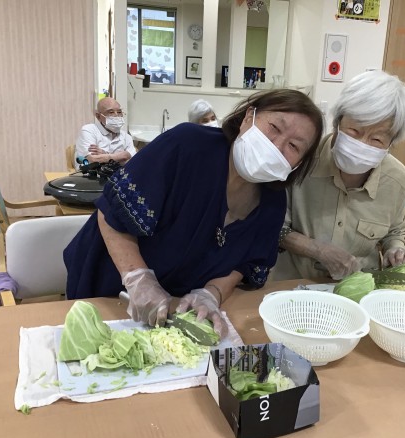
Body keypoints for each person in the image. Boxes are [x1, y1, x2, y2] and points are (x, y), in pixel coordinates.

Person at [64, 89, 324, 336]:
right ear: (248, 117)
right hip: (110, 289)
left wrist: (211, 294)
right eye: (274, 127)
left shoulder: (273, 204)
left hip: (177, 310)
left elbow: (245, 263)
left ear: (299, 164)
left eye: (294, 146)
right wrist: (138, 279)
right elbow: (111, 211)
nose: (276, 146)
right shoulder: (187, 145)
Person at [271, 70, 405, 281]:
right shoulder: (301, 160)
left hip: (357, 288)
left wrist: (395, 251)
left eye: (376, 140)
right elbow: (274, 228)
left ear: (391, 143)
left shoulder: (397, 180)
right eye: (354, 131)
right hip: (293, 284)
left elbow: (395, 232)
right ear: (337, 123)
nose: (361, 144)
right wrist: (317, 250)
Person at [74, 97, 136, 168]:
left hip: (118, 174)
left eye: (119, 112)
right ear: (98, 116)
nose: (116, 115)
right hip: (91, 173)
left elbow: (133, 162)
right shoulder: (89, 130)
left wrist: (105, 155)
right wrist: (122, 156)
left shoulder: (126, 137)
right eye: (111, 112)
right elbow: (91, 160)